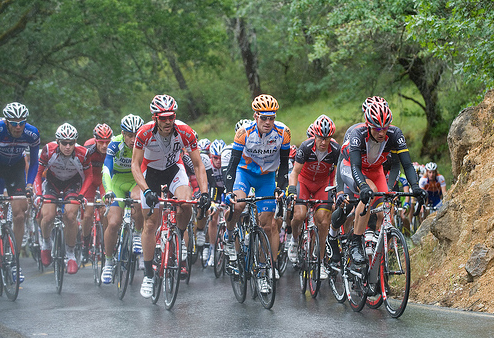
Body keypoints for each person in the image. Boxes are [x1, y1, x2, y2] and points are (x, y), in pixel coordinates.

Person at [131, 94, 210, 298]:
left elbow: (199, 164)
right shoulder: (144, 133)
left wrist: (204, 192)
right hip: (151, 173)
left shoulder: (185, 132)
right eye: (163, 117)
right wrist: (146, 190)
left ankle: (179, 239)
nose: (168, 121)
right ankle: (149, 275)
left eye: (171, 117)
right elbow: (135, 165)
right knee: (150, 223)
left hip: (175, 169)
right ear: (155, 117)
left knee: (186, 204)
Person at [336, 97, 427, 267]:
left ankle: (377, 257)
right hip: (352, 167)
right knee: (369, 191)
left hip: (375, 170)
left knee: (387, 203)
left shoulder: (395, 134)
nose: (381, 133)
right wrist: (362, 186)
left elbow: (406, 164)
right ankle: (356, 241)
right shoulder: (358, 133)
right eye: (377, 128)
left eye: (385, 128)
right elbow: (355, 164)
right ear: (368, 124)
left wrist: (416, 187)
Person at [224, 94, 291, 281]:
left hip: (267, 177)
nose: (268, 122)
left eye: (272, 117)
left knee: (267, 226)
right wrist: (229, 191)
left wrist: (281, 187)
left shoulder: (283, 133)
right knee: (237, 205)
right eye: (264, 117)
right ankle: (229, 236)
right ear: (255, 115)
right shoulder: (244, 132)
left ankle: (262, 270)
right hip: (244, 173)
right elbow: (232, 164)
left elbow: (284, 165)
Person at [287, 115, 340, 279]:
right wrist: (292, 190)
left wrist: (336, 191)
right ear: (314, 136)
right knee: (299, 214)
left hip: (322, 185)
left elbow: (338, 173)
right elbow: (295, 172)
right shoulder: (306, 147)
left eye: (327, 138)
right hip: (304, 182)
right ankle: (295, 241)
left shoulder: (336, 149)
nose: (323, 142)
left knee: (324, 221)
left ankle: (321, 260)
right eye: (320, 138)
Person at [35, 123, 92, 274]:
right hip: (52, 183)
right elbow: (38, 172)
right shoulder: (48, 150)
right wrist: (39, 194)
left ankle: (70, 254)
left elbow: (89, 176)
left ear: (75, 142)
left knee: (71, 216)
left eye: (71, 143)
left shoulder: (83, 153)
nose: (68, 146)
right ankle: (46, 243)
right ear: (57, 141)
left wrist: (82, 195)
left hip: (72, 184)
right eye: (64, 143)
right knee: (48, 216)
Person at [100, 114, 145, 284]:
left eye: (136, 135)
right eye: (129, 135)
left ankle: (137, 234)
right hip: (117, 181)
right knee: (113, 223)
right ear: (123, 134)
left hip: (135, 179)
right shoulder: (115, 143)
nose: (133, 140)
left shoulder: (145, 143)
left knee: (138, 199)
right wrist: (109, 190)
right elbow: (106, 169)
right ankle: (109, 262)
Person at [0, 102, 40, 283]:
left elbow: (33, 163)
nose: (18, 127)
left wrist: (30, 185)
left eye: (21, 122)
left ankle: (15, 261)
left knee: (20, 214)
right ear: (6, 122)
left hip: (16, 169)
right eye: (14, 123)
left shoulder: (32, 133)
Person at [81, 123, 113, 263]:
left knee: (106, 210)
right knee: (87, 215)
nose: (105, 146)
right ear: (95, 140)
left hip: (104, 181)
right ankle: (85, 244)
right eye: (101, 142)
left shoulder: (114, 148)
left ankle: (107, 245)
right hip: (90, 180)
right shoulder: (88, 147)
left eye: (107, 142)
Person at [201, 139, 226, 266]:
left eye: (221, 158)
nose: (218, 161)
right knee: (213, 216)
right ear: (211, 156)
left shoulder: (227, 162)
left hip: (226, 188)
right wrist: (212, 203)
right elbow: (211, 184)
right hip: (215, 188)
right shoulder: (209, 165)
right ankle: (211, 248)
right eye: (215, 158)